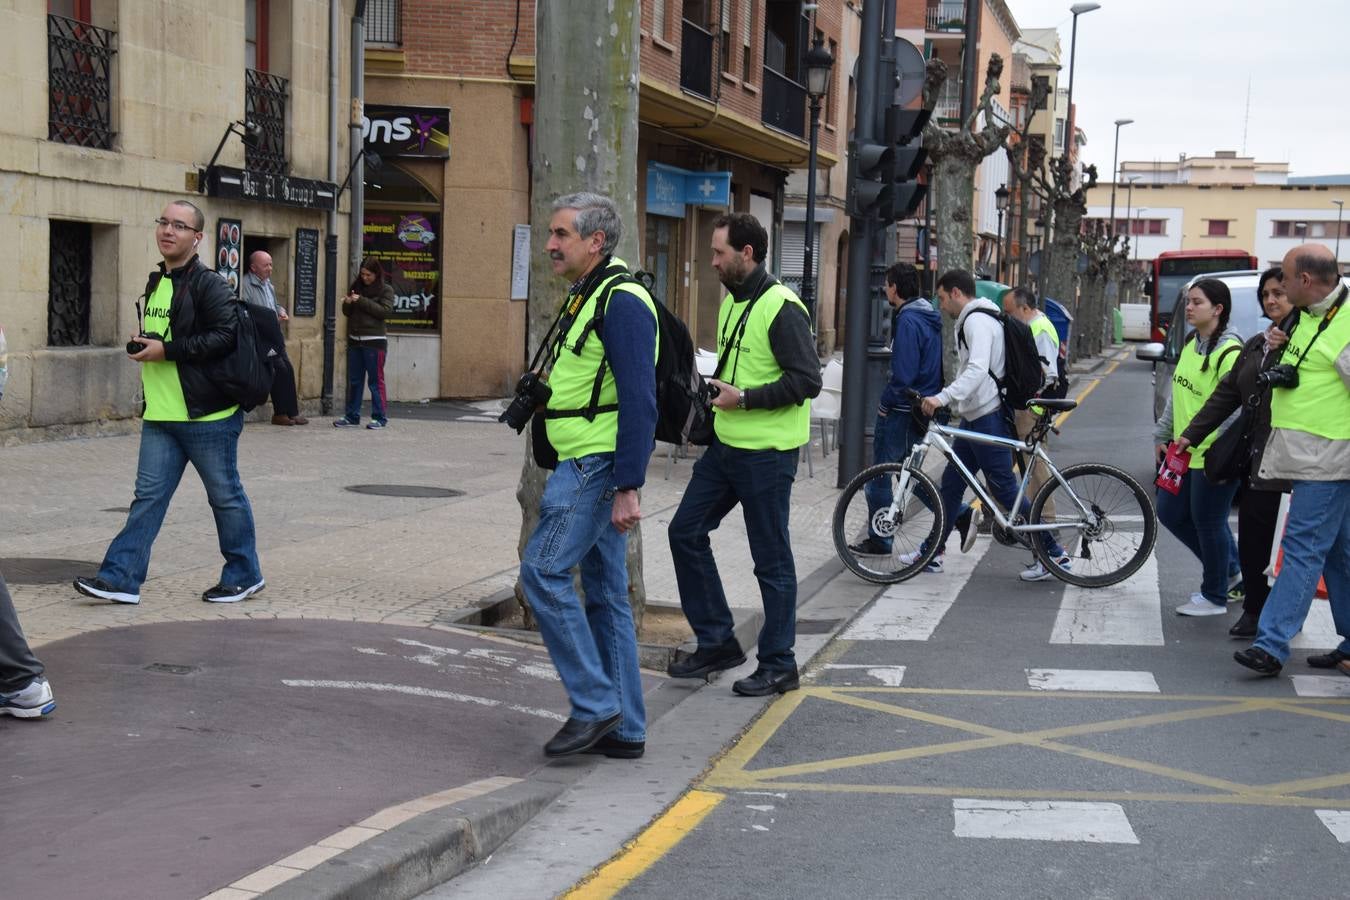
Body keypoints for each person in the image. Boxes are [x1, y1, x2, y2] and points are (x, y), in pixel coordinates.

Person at [518, 192, 656, 758]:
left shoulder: (621, 302)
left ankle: (596, 704)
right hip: (583, 461)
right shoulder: (590, 295)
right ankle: (624, 728)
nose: (549, 244)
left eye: (561, 235)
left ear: (595, 242)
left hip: (595, 467)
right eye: (550, 234)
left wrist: (627, 485)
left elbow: (640, 400)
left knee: (542, 572)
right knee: (603, 593)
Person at [74, 200, 264, 606]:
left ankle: (245, 574)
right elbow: (167, 336)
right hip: (161, 413)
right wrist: (148, 345)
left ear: (197, 238)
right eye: (163, 222)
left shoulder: (210, 283)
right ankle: (121, 578)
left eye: (179, 226)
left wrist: (167, 351)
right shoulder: (157, 281)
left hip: (208, 415)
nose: (168, 231)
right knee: (148, 499)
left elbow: (224, 336)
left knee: (225, 496)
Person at [667, 212, 821, 697]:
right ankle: (717, 642)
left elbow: (807, 381)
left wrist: (746, 398)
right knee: (685, 531)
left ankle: (779, 664)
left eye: (719, 253)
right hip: (728, 447)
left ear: (746, 254)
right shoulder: (735, 301)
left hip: (767, 455)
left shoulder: (782, 306)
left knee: (770, 561)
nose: (712, 261)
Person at [1234, 244, 1350, 676]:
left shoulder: (1346, 325)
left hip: (1330, 458)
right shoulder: (1310, 315)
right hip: (1312, 456)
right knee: (1340, 554)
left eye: (1284, 277)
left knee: (1302, 548)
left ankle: (1271, 644)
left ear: (1305, 280)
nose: (1277, 286)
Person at [914, 269, 1068, 576]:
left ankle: (1055, 554)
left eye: (943, 299)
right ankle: (932, 552)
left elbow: (977, 370)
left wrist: (942, 398)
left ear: (957, 293)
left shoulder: (977, 321)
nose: (941, 306)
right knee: (952, 486)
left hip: (987, 416)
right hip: (975, 418)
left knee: (1008, 493)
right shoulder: (979, 317)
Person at [1176, 268, 1295, 637]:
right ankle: (1254, 611)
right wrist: (1189, 435)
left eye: (1279, 293)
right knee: (1254, 536)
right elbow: (1227, 396)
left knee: (1296, 546)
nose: (1271, 300)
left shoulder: (1299, 343)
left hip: (1298, 457)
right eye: (1266, 294)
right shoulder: (1257, 345)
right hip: (1257, 458)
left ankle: (1277, 619)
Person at [1152, 278, 1245, 617]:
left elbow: (1233, 411)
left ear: (1218, 309)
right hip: (1184, 454)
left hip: (1213, 457)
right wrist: (1161, 436)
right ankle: (1232, 572)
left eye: (1197, 302)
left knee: (1209, 522)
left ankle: (1215, 595)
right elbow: (1178, 397)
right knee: (1171, 513)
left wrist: (1206, 443)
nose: (1189, 308)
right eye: (1189, 301)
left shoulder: (1230, 352)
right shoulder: (1193, 342)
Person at [847, 263, 946, 556]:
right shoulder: (929, 317)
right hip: (920, 408)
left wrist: (884, 404)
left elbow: (903, 373)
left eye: (888, 284)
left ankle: (880, 540)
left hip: (902, 408)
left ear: (896, 288)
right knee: (912, 476)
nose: (885, 289)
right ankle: (959, 514)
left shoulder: (908, 320)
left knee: (878, 477)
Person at [1004, 286, 1066, 581]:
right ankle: (1043, 541)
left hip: (1032, 410)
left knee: (1038, 474)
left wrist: (1030, 405)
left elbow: (1044, 372)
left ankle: (1050, 542)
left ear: (1024, 309)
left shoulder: (1037, 328)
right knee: (1031, 473)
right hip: (1032, 408)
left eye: (1010, 312)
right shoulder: (1036, 324)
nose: (1007, 318)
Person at [242, 250, 307, 426]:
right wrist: (268, 319)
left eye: (271, 264)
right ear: (253, 267)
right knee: (278, 370)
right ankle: (280, 414)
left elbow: (274, 304)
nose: (270, 268)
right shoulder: (245, 284)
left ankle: (292, 412)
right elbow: (244, 311)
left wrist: (281, 311)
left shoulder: (268, 284)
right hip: (260, 337)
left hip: (274, 335)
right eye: (266, 265)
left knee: (288, 369)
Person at [333, 257, 395, 429]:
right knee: (355, 380)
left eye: (368, 275)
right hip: (355, 340)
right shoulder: (356, 287)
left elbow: (384, 311)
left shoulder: (386, 290)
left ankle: (379, 417)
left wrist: (361, 300)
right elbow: (348, 313)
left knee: (375, 381)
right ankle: (352, 416)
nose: (365, 278)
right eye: (362, 274)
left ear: (376, 274)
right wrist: (347, 303)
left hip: (374, 341)